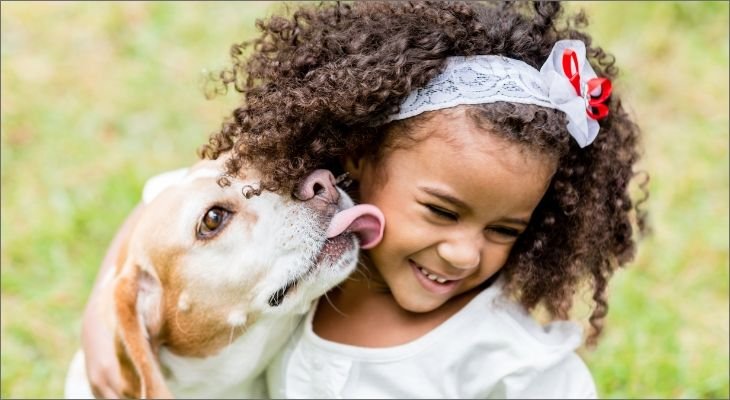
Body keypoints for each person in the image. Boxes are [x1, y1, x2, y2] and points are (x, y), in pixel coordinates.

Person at [82, 1, 648, 398]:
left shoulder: (505, 356)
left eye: (505, 230)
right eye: (442, 211)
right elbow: (168, 202)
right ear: (355, 154)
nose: (461, 254)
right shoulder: (318, 216)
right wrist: (111, 309)